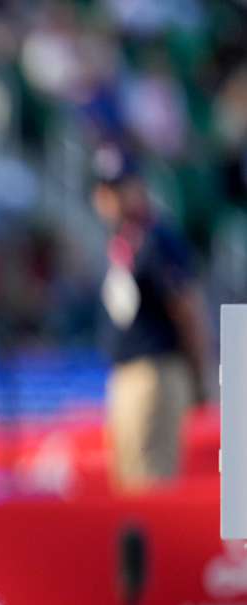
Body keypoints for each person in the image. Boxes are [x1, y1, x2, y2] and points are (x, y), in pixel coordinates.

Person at [90, 144, 211, 492]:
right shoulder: (121, 244)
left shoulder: (157, 240)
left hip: (156, 371)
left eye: (120, 187)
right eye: (105, 189)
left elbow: (186, 308)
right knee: (127, 482)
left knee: (151, 483)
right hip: (125, 373)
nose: (111, 198)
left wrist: (197, 373)